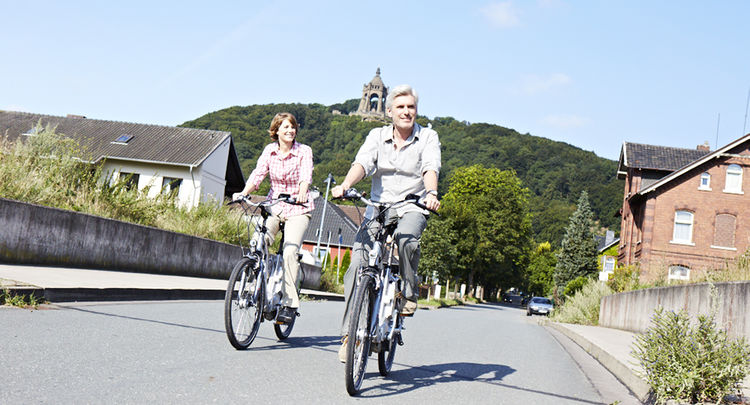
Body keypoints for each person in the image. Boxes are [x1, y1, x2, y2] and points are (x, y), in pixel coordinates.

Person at [331, 84, 441, 361]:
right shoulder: (376, 135)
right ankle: (349, 336)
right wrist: (345, 184)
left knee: (406, 239)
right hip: (378, 207)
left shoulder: (427, 136)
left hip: (412, 206)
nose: (406, 112)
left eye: (411, 107)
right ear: (389, 111)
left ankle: (407, 290)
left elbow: (430, 167)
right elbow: (363, 163)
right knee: (357, 265)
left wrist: (432, 194)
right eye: (401, 107)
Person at [233, 112, 314, 323]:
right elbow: (258, 175)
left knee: (289, 252)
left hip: (298, 208)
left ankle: (289, 304)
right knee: (258, 242)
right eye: (285, 127)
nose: (290, 130)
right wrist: (244, 192)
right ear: (276, 130)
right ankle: (258, 287)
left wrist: (303, 190)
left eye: (292, 127)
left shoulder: (304, 151)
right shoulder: (270, 151)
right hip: (275, 206)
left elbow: (306, 175)